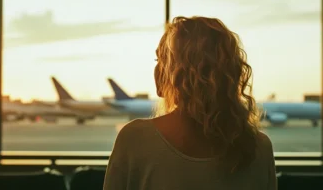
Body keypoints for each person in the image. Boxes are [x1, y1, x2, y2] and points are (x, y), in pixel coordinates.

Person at [103, 16, 277, 190]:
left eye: (161, 60)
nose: (156, 69)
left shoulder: (135, 139)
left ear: (179, 72)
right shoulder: (259, 147)